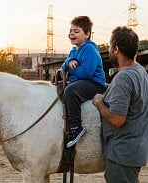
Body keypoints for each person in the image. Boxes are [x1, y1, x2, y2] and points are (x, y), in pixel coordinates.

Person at [93, 26, 148, 183]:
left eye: (110, 46)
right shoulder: (140, 72)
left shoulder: (123, 78)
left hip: (122, 156)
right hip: (134, 151)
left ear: (116, 49)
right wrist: (111, 88)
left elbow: (117, 119)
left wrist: (99, 103)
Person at [61, 16, 106, 148]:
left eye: (76, 31)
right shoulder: (74, 50)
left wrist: (70, 68)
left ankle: (76, 128)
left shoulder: (89, 49)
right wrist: (69, 62)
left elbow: (87, 73)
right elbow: (64, 67)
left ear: (87, 34)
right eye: (70, 30)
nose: (71, 33)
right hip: (82, 81)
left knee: (71, 91)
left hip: (94, 84)